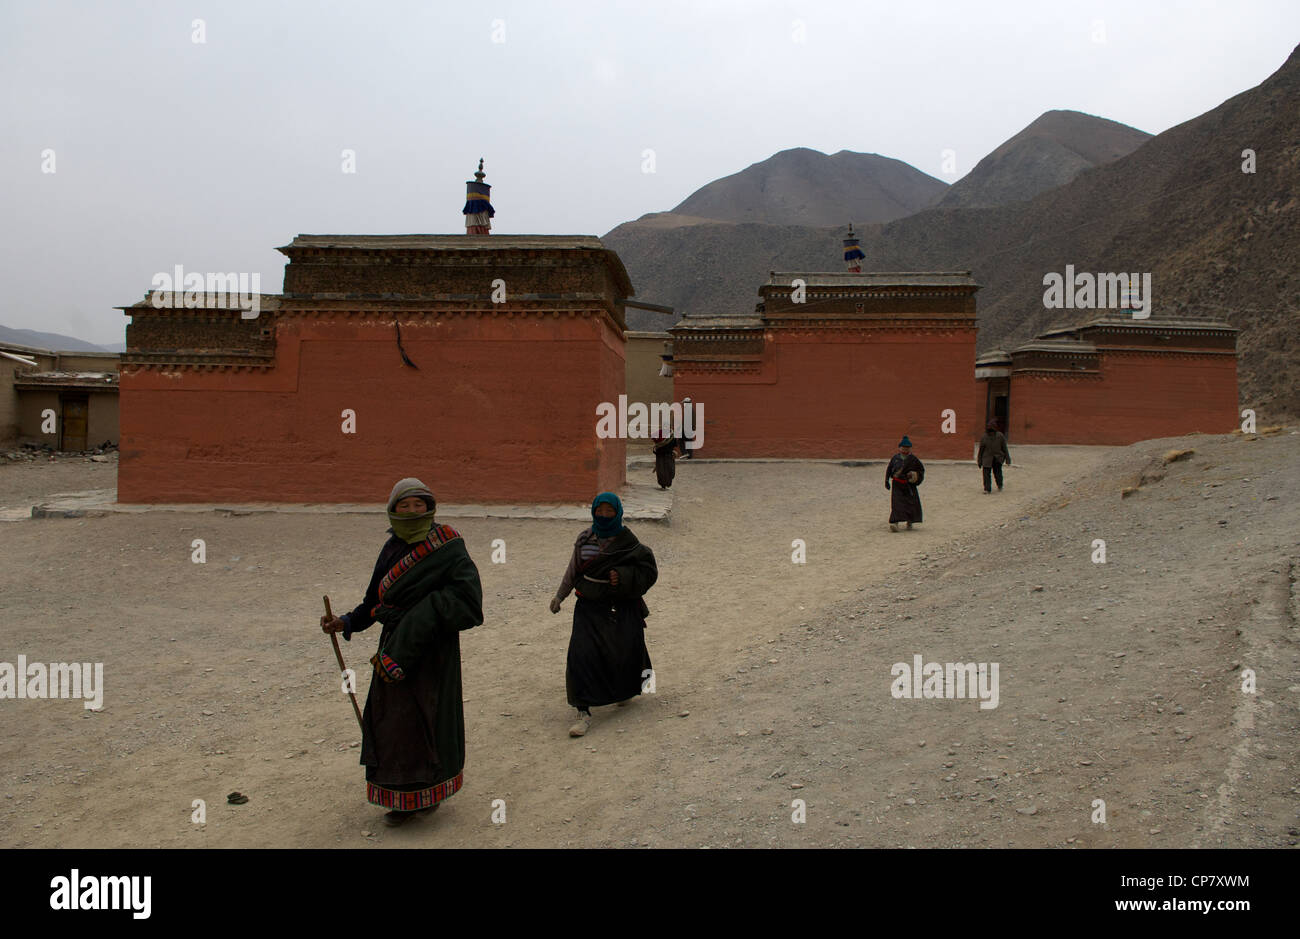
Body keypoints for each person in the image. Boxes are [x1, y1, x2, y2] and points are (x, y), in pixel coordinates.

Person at [320, 478, 483, 827]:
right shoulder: (391, 549)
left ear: (430, 507)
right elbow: (374, 603)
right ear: (393, 510)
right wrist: (345, 622)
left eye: (419, 505)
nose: (412, 512)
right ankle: (401, 798)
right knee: (392, 722)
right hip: (393, 647)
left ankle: (430, 792)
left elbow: (469, 603)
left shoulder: (449, 546)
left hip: (433, 653)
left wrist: (426, 612)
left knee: (427, 720)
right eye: (404, 506)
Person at [548, 492, 657, 737]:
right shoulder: (585, 539)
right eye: (600, 511)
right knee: (582, 655)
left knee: (623, 651)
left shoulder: (628, 541)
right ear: (594, 512)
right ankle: (583, 710)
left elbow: (647, 569)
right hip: (588, 606)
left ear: (617, 513)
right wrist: (559, 596)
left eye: (609, 511)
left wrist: (622, 576)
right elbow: (573, 569)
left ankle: (624, 692)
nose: (604, 515)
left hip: (620, 606)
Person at [885, 435, 925, 532]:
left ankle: (910, 521)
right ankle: (895, 523)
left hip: (909, 486)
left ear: (910, 449)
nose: (905, 450)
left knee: (910, 504)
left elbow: (921, 470)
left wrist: (915, 476)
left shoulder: (913, 459)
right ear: (900, 448)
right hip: (897, 485)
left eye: (907, 448)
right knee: (897, 504)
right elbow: (889, 469)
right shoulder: (895, 458)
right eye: (903, 448)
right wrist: (886, 481)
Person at [976, 421, 1011, 493]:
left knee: (998, 473)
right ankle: (987, 488)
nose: (991, 431)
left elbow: (1004, 448)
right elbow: (981, 451)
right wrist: (979, 461)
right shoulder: (984, 437)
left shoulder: (1000, 436)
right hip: (987, 458)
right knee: (986, 474)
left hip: (997, 458)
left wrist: (1008, 459)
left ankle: (1000, 485)